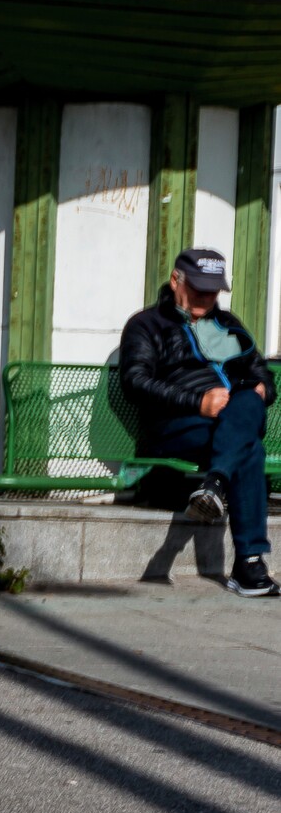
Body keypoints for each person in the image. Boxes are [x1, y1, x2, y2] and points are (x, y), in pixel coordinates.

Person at [120, 247, 275, 596]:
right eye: (199, 289)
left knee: (250, 397)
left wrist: (262, 389)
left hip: (233, 421)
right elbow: (135, 381)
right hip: (177, 426)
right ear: (176, 280)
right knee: (250, 450)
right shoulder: (146, 325)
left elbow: (261, 373)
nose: (207, 297)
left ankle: (214, 484)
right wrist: (198, 402)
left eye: (213, 290)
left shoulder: (229, 325)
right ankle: (249, 565)